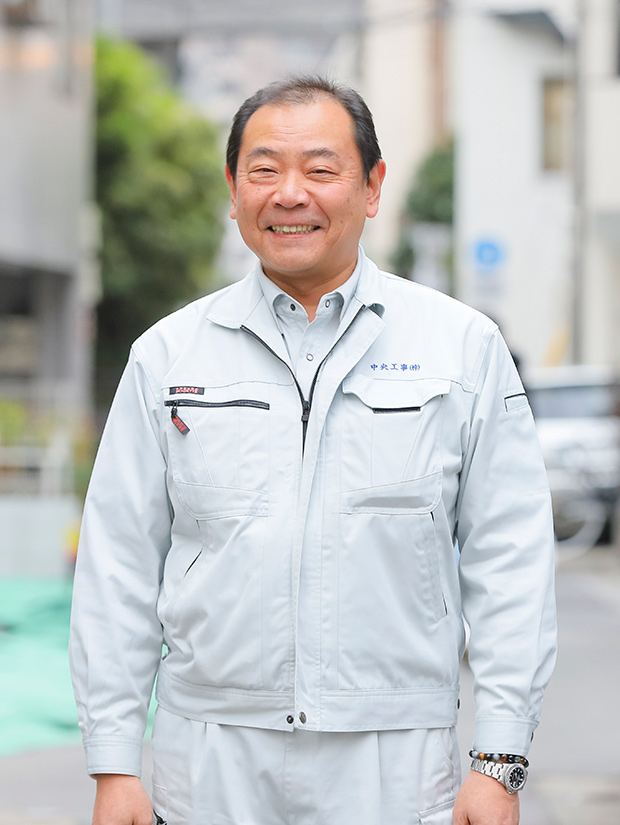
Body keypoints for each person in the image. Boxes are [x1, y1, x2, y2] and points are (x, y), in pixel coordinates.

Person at [70, 76, 557, 825]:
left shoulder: (462, 348)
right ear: (233, 190)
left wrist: (499, 760)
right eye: (264, 170)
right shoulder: (168, 355)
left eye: (321, 169)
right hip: (210, 760)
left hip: (393, 760)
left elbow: (511, 559)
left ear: (372, 187)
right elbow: (118, 565)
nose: (290, 194)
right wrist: (113, 762)